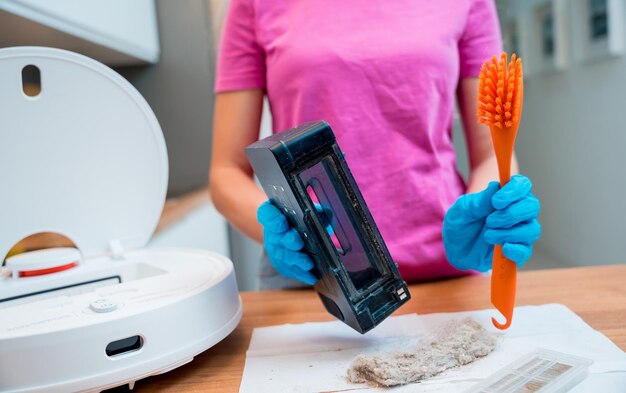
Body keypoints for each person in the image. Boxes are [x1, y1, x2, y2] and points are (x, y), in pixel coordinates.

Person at [210, 0, 541, 289]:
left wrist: (484, 217)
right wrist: (287, 231)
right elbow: (226, 171)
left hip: (444, 271)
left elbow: (493, 155)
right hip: (316, 277)